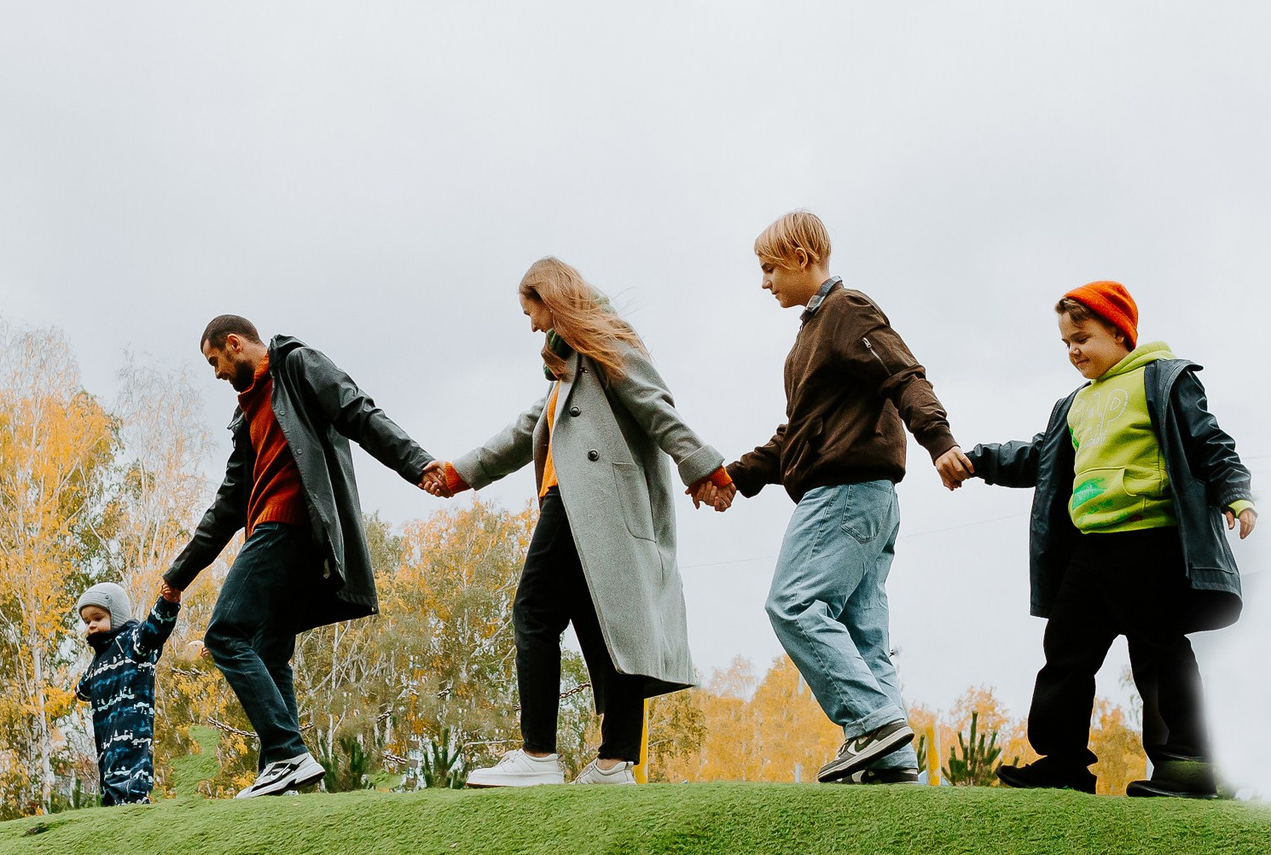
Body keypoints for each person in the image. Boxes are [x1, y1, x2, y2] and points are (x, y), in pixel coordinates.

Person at [427, 257, 731, 788]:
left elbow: (656, 406)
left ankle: (539, 755)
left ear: (553, 297)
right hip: (567, 502)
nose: (531, 325)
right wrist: (461, 473)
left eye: (532, 310)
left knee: (536, 609)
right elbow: (528, 430)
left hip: (589, 501)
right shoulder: (566, 367)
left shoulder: (605, 345)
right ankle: (614, 761)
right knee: (603, 622)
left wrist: (703, 465)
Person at [963, 281, 1255, 797]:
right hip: (1089, 547)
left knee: (1158, 653)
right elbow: (1040, 457)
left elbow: (1208, 440)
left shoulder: (1162, 380)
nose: (1073, 351)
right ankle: (1063, 764)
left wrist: (1236, 493)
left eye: (1083, 337)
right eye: (1065, 343)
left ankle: (1186, 769)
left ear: (1119, 333)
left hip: (1150, 541)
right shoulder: (1074, 404)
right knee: (1066, 653)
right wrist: (978, 460)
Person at [711, 211, 972, 785]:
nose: (764, 282)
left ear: (803, 256)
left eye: (769, 268)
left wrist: (939, 440)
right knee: (861, 632)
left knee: (794, 604)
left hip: (845, 495)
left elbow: (904, 374)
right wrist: (735, 476)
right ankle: (893, 756)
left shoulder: (846, 311)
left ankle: (871, 722)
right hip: (866, 499)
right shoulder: (810, 333)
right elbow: (799, 433)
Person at [160, 316, 441, 798]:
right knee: (269, 651)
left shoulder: (297, 365)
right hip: (273, 529)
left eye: (215, 362)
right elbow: (228, 503)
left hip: (287, 525)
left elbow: (359, 414)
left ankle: (288, 754)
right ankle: (285, 780)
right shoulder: (246, 417)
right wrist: (178, 575)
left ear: (235, 344)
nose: (217, 374)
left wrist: (416, 464)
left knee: (226, 633)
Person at [75, 581, 179, 806]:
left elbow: (155, 628)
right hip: (105, 739)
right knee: (109, 784)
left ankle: (137, 814)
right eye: (87, 621)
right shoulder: (98, 660)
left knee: (129, 781)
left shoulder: (132, 643)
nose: (91, 625)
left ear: (117, 616)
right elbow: (82, 690)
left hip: (132, 731)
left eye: (98, 618)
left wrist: (168, 602)